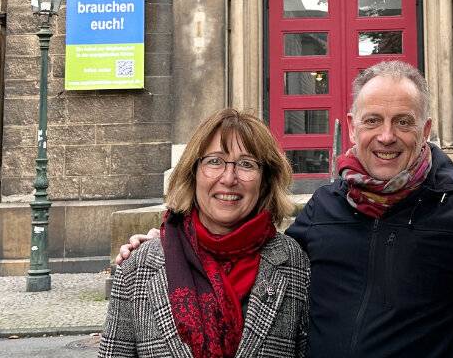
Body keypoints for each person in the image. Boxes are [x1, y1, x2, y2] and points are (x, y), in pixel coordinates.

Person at [118, 62, 453, 358]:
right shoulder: (325, 207)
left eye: (402, 122)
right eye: (373, 121)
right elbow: (260, 256)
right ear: (351, 127)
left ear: (425, 130)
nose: (386, 136)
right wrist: (170, 244)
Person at [99, 108, 309, 358]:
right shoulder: (139, 267)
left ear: (265, 180)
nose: (229, 178)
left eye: (246, 164)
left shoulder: (292, 261)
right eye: (214, 161)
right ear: (193, 172)